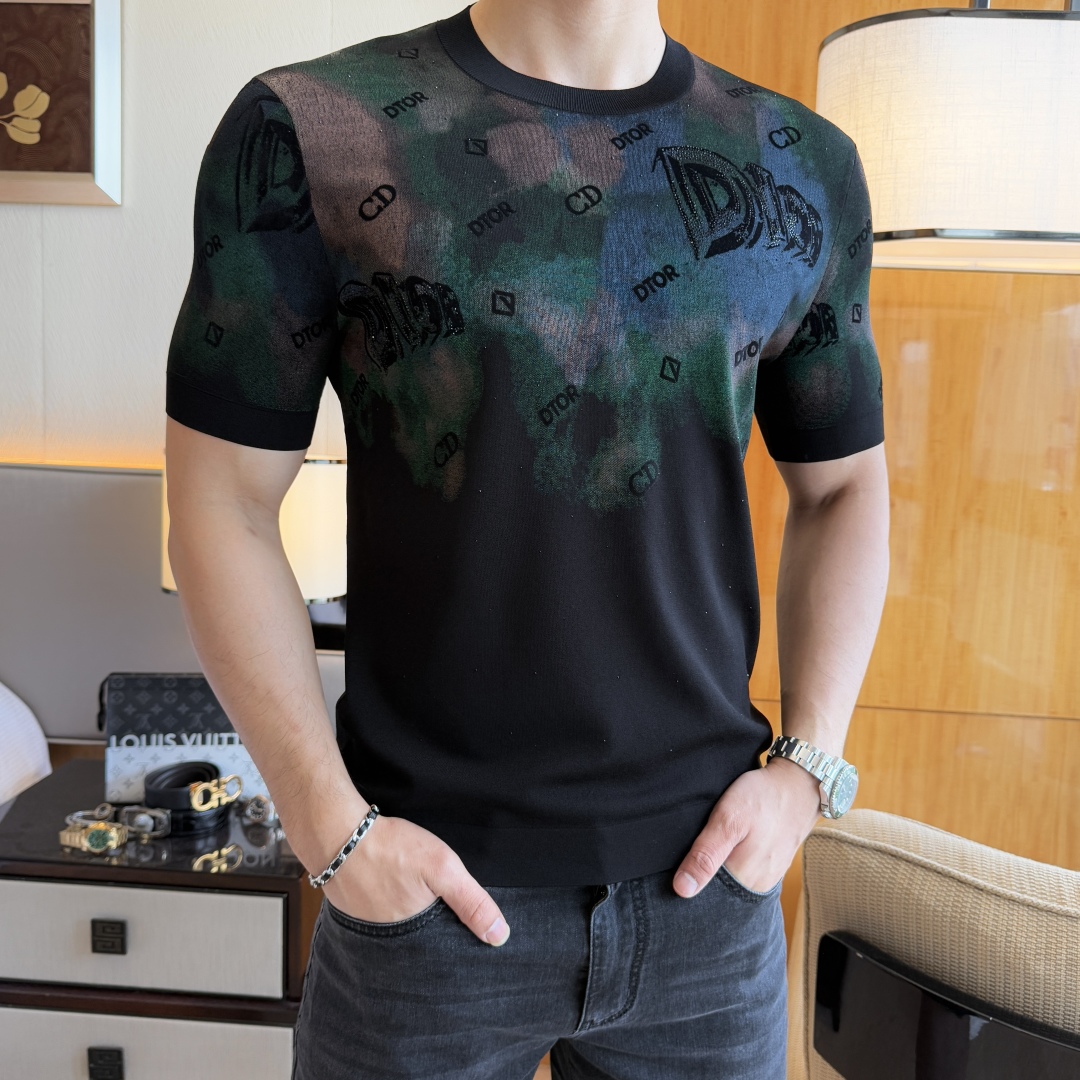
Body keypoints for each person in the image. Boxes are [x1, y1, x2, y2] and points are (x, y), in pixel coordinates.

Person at [164, 0, 890, 1076]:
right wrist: (328, 827)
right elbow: (219, 500)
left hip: (710, 904)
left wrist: (808, 768)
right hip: (423, 906)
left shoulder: (799, 161)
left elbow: (844, 487)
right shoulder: (310, 127)